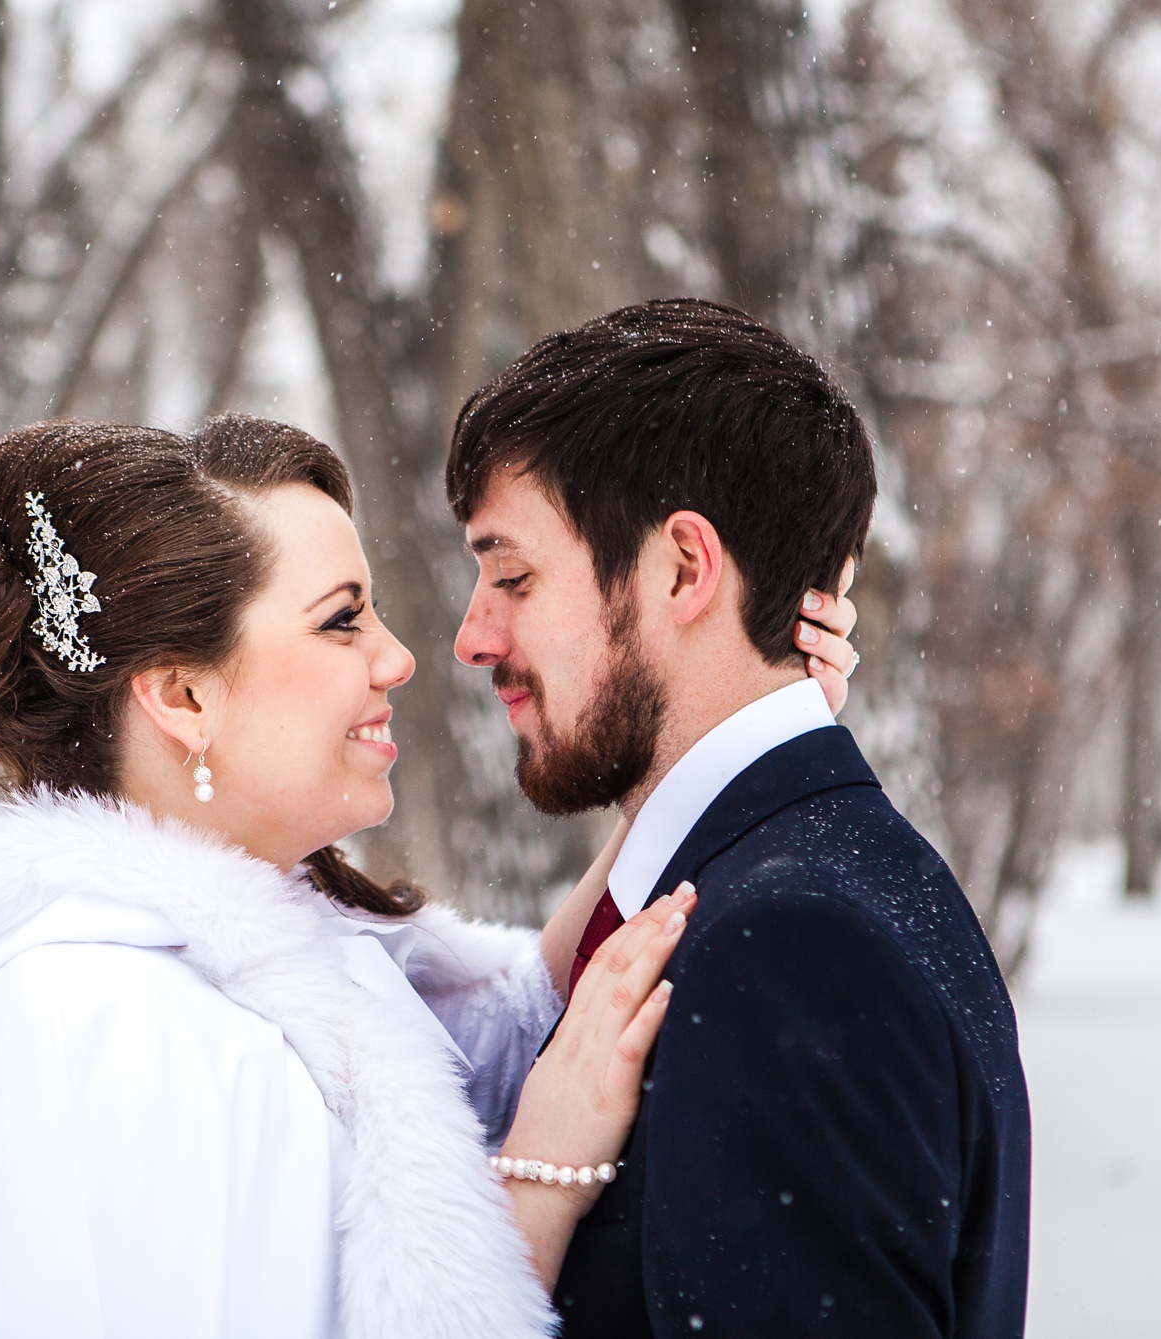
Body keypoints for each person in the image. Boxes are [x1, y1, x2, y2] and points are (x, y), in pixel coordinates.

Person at [0, 410, 861, 1339]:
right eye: (340, 622)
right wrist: (535, 1185)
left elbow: (515, 1032)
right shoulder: (75, 1028)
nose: (399, 657)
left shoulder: (275, 973)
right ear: (182, 696)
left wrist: (728, 715)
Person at [448, 298, 1032, 1338]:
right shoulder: (797, 882)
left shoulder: (794, 946)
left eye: (513, 576)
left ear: (682, 567)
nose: (473, 635)